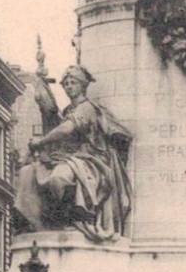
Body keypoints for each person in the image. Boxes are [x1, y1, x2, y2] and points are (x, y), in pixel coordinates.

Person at [15, 65, 132, 242]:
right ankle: (38, 223)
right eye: (66, 83)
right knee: (26, 173)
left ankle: (70, 219)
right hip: (68, 158)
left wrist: (41, 141)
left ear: (83, 86)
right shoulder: (68, 110)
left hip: (90, 161)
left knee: (59, 178)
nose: (69, 86)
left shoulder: (87, 108)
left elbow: (66, 129)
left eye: (73, 82)